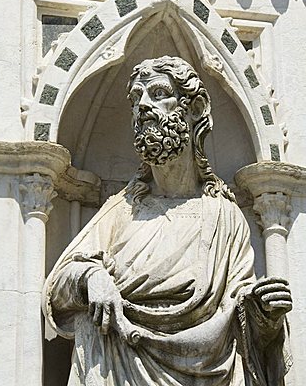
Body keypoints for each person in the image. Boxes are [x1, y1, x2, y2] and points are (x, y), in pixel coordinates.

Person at [43, 56, 292, 386]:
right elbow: (58, 288)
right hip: (117, 369)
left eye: (158, 93)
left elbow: (237, 313)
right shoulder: (120, 210)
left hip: (206, 372)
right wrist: (91, 277)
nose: (143, 105)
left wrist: (264, 314)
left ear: (196, 108)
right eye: (136, 98)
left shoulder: (224, 217)